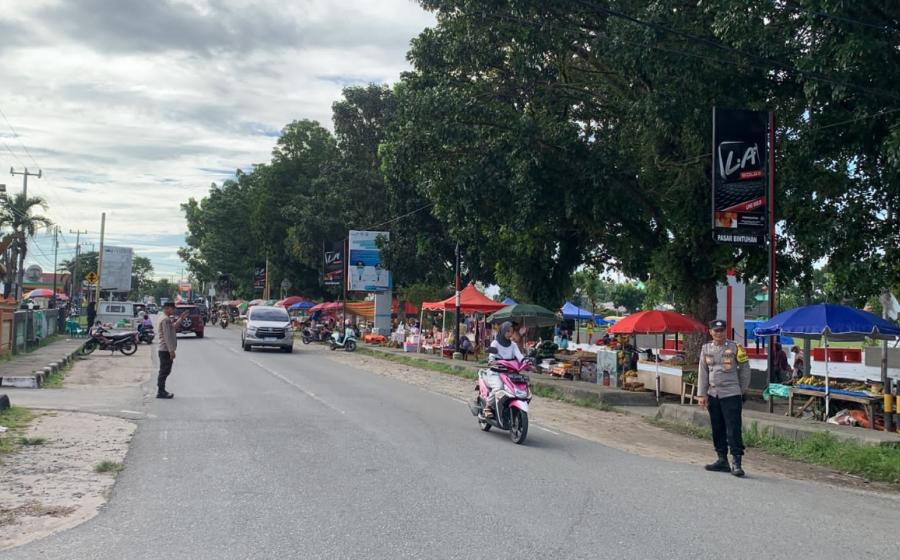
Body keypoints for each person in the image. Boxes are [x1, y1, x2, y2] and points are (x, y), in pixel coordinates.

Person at [698, 319, 751, 477]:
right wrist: (702, 394)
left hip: (731, 394)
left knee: (733, 428)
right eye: (716, 331)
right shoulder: (706, 348)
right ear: (710, 332)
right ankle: (722, 459)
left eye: (721, 330)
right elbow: (703, 372)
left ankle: (736, 462)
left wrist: (740, 390)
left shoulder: (736, 348)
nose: (719, 333)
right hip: (713, 394)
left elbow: (745, 370)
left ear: (725, 331)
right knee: (717, 428)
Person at [483, 322, 526, 418]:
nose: (510, 334)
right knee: (499, 388)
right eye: (507, 331)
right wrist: (491, 361)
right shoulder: (495, 343)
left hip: (509, 373)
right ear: (502, 331)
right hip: (496, 372)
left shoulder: (513, 345)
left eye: (511, 332)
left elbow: (519, 356)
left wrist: (525, 361)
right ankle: (488, 407)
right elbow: (492, 356)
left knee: (517, 389)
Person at [157, 301, 188, 399]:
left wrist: (181, 319)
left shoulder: (165, 318)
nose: (174, 310)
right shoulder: (165, 319)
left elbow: (172, 328)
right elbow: (167, 336)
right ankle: (160, 391)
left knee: (165, 370)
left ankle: (161, 390)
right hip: (165, 349)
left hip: (165, 349)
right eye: (172, 308)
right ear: (167, 308)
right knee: (164, 371)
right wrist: (171, 351)